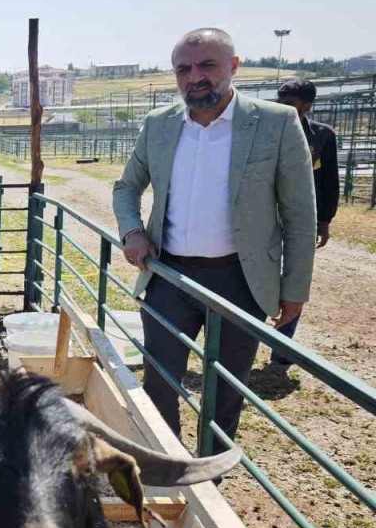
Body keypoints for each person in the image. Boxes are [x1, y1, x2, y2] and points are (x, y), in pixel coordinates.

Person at [112, 28, 316, 441]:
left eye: (207, 65)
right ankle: (167, 463)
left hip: (239, 280)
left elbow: (298, 212)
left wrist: (294, 288)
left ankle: (211, 470)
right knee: (160, 378)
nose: (194, 77)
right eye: (183, 68)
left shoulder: (275, 123)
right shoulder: (159, 125)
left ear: (234, 66)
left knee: (227, 386)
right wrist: (133, 231)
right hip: (170, 276)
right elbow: (126, 187)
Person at [265, 78, 339, 371]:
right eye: (280, 101)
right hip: (267, 216)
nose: (282, 107)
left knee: (295, 281)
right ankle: (244, 341)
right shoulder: (266, 131)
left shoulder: (321, 137)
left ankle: (281, 353)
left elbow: (329, 181)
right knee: (260, 276)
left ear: (307, 105)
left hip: (302, 219)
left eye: (290, 103)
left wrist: (324, 220)